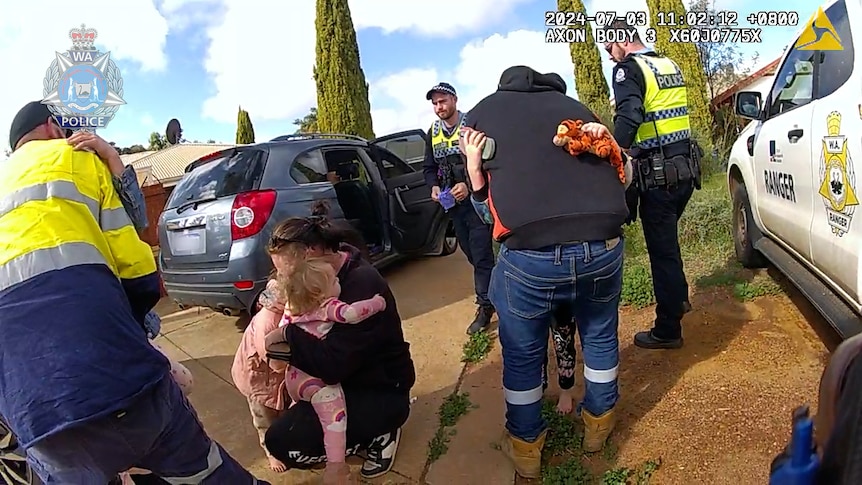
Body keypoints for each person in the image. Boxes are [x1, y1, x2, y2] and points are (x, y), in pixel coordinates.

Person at [0, 101, 264, 484]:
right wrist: (107, 159)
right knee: (205, 473)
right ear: (54, 128)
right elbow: (140, 272)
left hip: (35, 416)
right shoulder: (75, 158)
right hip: (116, 376)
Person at [459, 66, 630, 477]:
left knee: (522, 353)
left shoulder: (484, 113)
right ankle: (598, 427)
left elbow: (489, 215)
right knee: (601, 334)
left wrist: (474, 173)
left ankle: (526, 448)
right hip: (603, 244)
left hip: (532, 255)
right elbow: (619, 172)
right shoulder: (578, 108)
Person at [261, 211, 415, 482]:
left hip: (377, 388)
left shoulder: (361, 285)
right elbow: (277, 301)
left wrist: (287, 334)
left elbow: (333, 366)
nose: (285, 282)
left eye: (289, 274)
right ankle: (355, 435)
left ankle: (382, 431)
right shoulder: (322, 271)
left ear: (310, 253)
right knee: (281, 437)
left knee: (287, 444)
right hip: (339, 382)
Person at [601, 20, 700, 350]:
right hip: (685, 170)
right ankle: (679, 297)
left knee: (663, 252)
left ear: (622, 41)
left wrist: (612, 156)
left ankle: (668, 328)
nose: (609, 56)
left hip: (659, 176)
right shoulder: (667, 63)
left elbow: (629, 117)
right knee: (669, 244)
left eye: (609, 48)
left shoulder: (627, 69)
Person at [271, 251, 388, 469]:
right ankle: (336, 465)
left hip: (294, 378)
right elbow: (351, 314)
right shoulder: (327, 306)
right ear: (319, 292)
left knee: (305, 412)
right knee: (334, 421)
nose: (338, 281)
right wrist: (377, 302)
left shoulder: (292, 308)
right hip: (316, 380)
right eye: (334, 280)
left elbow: (279, 335)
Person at [422, 82, 496, 335]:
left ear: (454, 100)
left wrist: (467, 184)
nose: (438, 107)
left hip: (476, 201)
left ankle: (486, 307)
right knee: (472, 255)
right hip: (452, 206)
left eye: (442, 101)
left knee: (482, 253)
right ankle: (498, 290)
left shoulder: (470, 125)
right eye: (435, 103)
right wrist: (433, 187)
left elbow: (488, 162)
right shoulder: (432, 132)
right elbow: (428, 168)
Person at [231, 279, 290, 473]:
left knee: (282, 411)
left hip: (270, 377)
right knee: (264, 417)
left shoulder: (283, 313)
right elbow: (272, 359)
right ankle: (270, 450)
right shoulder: (267, 321)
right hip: (257, 379)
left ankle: (283, 439)